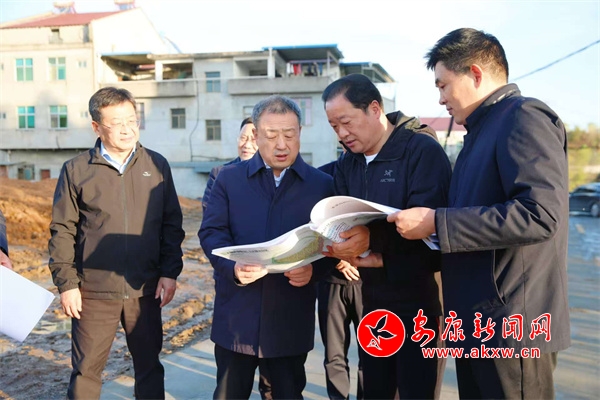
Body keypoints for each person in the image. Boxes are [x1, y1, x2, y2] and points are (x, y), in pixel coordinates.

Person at [389, 28, 570, 399]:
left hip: (513, 327)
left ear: (474, 73)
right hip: (477, 323)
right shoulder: (480, 132)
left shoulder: (523, 117)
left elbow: (540, 214)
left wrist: (437, 222)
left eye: (443, 85)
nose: (440, 98)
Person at [48, 87, 185, 400]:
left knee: (149, 367)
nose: (127, 129)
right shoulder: (76, 170)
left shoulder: (157, 165)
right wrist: (67, 284)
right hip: (93, 293)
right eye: (117, 123)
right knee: (86, 372)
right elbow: (62, 230)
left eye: (132, 120)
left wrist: (169, 272)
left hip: (145, 289)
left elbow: (171, 225)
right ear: (96, 127)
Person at [321, 73, 452, 399]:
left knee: (416, 392)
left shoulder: (420, 151)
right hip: (373, 303)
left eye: (346, 122)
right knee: (376, 391)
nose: (342, 134)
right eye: (334, 127)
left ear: (375, 109)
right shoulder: (348, 164)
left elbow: (435, 234)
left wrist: (374, 244)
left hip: (419, 304)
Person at [198, 95, 335, 399]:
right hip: (237, 315)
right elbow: (211, 232)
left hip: (290, 316)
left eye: (289, 134)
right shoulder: (228, 180)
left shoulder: (321, 185)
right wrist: (233, 268)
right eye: (271, 135)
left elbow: (331, 243)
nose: (281, 144)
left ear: (300, 133)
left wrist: (313, 271)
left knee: (286, 393)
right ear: (256, 135)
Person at [317, 152, 364, 400]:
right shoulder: (323, 175)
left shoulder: (375, 173)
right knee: (334, 354)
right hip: (331, 280)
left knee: (371, 351)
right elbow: (311, 227)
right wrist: (338, 258)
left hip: (368, 281)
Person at [202, 117, 258, 213]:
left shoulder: (274, 173)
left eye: (253, 140)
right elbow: (210, 212)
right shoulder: (219, 173)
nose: (247, 145)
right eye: (243, 138)